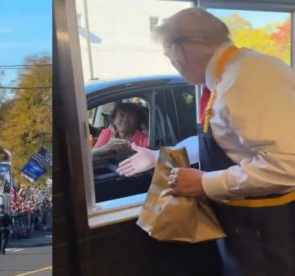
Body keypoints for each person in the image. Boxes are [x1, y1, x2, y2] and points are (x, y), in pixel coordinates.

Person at [117, 7, 295, 275]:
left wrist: (204, 182)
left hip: (265, 231)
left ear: (179, 52)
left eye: (168, 56)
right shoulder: (234, 72)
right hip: (245, 225)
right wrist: (157, 156)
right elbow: (228, 139)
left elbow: (287, 165)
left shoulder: (243, 80)